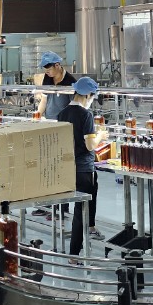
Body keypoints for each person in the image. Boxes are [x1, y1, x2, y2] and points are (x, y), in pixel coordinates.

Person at [57, 77, 105, 257]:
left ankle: (89, 229)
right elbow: (90, 145)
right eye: (92, 97)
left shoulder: (62, 114)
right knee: (81, 211)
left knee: (82, 207)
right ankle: (74, 255)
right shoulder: (86, 115)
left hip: (68, 167)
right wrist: (100, 136)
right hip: (83, 169)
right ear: (87, 95)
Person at [37, 52, 74, 120]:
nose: (47, 72)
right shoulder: (47, 77)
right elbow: (44, 100)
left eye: (49, 69)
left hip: (63, 121)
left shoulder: (70, 81)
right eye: (45, 70)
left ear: (57, 65)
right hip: (49, 120)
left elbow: (74, 106)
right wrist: (37, 115)